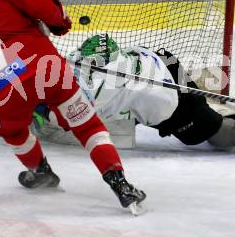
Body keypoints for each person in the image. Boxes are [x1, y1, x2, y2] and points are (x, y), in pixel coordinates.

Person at [0, 0, 146, 214]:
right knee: (87, 125)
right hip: (46, 69)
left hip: (5, 87)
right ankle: (120, 183)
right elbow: (56, 22)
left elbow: (4, 15)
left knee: (14, 133)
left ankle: (40, 171)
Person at [34, 33, 235, 150]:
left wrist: (39, 110)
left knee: (221, 136)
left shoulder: (102, 86)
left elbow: (70, 119)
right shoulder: (86, 59)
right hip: (165, 61)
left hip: (175, 104)